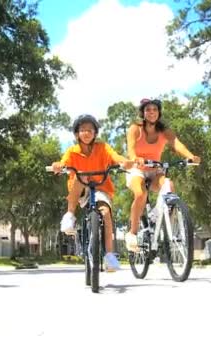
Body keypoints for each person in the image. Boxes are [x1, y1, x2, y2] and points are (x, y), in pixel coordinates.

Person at [51, 114, 134, 272]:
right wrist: (58, 166)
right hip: (80, 188)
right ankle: (70, 215)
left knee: (106, 213)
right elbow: (63, 163)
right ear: (77, 134)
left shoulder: (103, 147)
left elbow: (115, 157)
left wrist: (124, 162)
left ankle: (109, 255)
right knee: (80, 173)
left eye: (90, 130)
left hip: (101, 186)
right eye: (82, 130)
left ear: (95, 133)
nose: (86, 133)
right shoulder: (72, 151)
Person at [124, 98, 201, 252]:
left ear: (159, 113)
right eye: (148, 110)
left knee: (169, 186)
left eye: (154, 110)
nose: (151, 112)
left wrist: (190, 156)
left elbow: (177, 144)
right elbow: (131, 148)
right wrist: (135, 159)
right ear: (143, 113)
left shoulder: (164, 131)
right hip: (137, 168)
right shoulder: (135, 128)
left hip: (155, 169)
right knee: (140, 193)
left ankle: (157, 217)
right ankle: (132, 233)